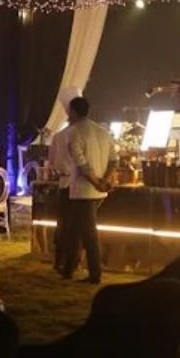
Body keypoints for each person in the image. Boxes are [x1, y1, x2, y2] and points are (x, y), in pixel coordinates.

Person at [66, 95, 116, 285]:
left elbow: (82, 165)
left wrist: (95, 182)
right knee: (76, 230)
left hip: (83, 191)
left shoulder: (75, 132)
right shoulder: (103, 131)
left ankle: (95, 273)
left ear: (73, 112)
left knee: (88, 233)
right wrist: (105, 179)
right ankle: (69, 268)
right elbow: (113, 160)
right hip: (99, 191)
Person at [46, 85, 80, 277]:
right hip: (81, 185)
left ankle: (59, 261)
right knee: (76, 228)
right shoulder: (87, 133)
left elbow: (52, 163)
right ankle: (72, 263)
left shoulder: (58, 136)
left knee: (63, 226)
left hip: (64, 184)